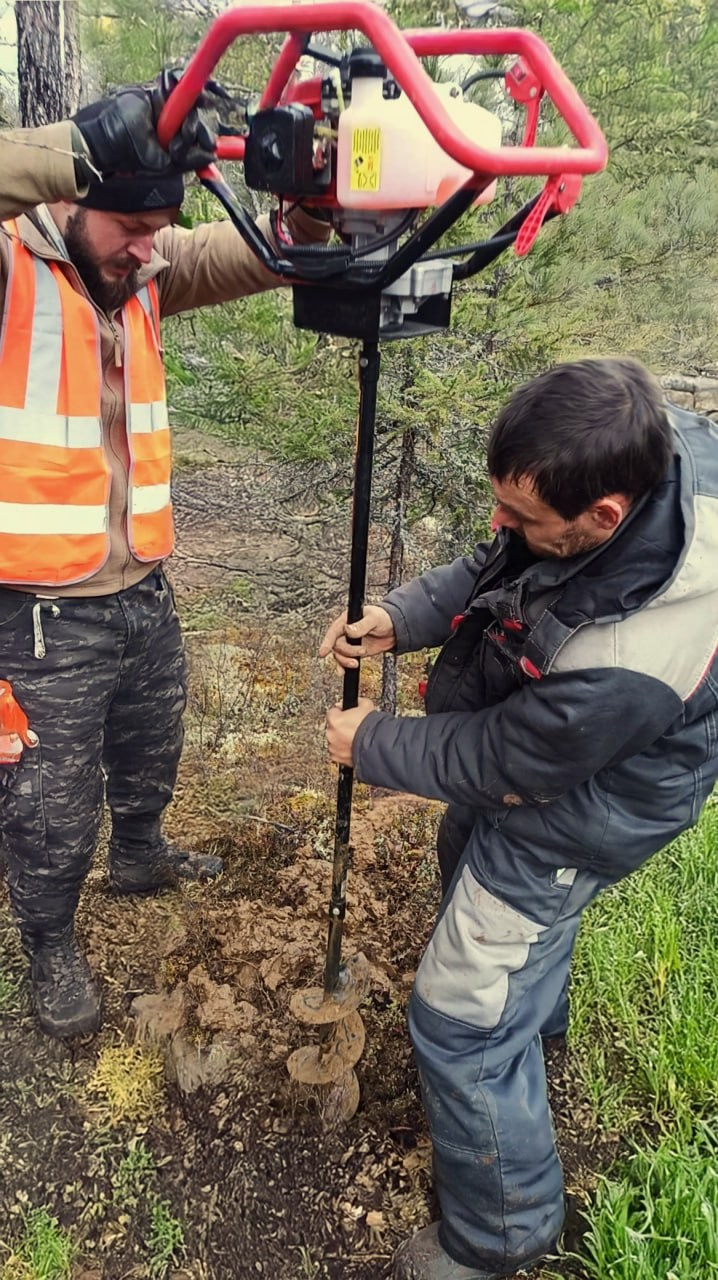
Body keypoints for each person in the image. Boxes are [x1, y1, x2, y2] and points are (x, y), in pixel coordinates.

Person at [320, 357, 718, 1280]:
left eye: (524, 517)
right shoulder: (621, 456)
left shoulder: (633, 647)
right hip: (564, 755)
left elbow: (512, 761)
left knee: (459, 1012)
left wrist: (371, 744)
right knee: (470, 859)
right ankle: (532, 1032)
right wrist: (399, 614)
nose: (500, 524)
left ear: (605, 518)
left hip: (594, 800)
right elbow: (504, 564)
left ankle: (504, 1230)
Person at [0, 79, 328, 1039]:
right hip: (37, 608)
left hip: (142, 585)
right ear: (73, 197)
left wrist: (306, 220)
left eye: (161, 227)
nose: (151, 247)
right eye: (134, 225)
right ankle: (49, 943)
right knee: (48, 805)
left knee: (151, 747)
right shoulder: (13, 265)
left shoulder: (138, 268)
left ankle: (140, 854)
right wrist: (70, 148)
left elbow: (239, 255)